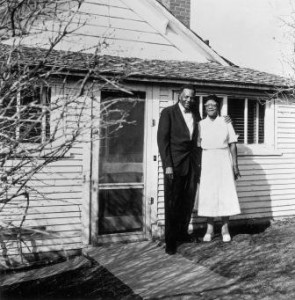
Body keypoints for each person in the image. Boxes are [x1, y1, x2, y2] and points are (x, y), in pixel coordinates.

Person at [157, 85, 201, 255]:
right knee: (172, 202)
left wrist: (224, 119)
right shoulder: (168, 112)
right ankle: (170, 241)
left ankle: (183, 233)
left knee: (188, 200)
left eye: (192, 97)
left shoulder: (196, 113)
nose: (189, 100)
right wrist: (167, 164)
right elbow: (162, 141)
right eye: (186, 97)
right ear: (179, 96)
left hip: (191, 163)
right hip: (174, 165)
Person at [197, 94, 241, 243]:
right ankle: (209, 229)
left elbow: (233, 144)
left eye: (214, 105)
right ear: (204, 107)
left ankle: (225, 229)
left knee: (224, 193)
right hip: (207, 160)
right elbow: (197, 146)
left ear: (218, 107)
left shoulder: (226, 121)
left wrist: (235, 166)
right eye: (208, 104)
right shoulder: (201, 124)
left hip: (223, 160)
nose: (210, 107)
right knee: (209, 194)